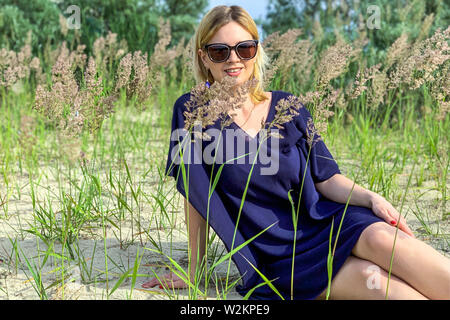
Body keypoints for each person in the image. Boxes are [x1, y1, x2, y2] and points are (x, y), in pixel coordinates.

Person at [141, 5, 450, 300]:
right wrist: (194, 270)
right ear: (204, 58)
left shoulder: (288, 106)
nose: (233, 60)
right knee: (380, 285)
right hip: (280, 258)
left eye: (244, 48)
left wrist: (372, 198)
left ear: (257, 51)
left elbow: (327, 179)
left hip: (328, 223)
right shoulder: (191, 111)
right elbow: (196, 194)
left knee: (382, 238)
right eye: (219, 51)